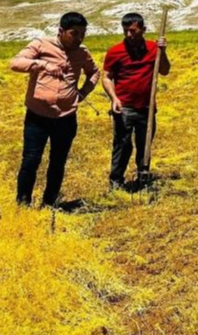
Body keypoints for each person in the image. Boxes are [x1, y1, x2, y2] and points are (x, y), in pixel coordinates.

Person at [10, 12, 100, 207]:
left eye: (82, 33)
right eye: (74, 33)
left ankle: (50, 203)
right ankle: (22, 203)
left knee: (58, 161)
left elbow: (94, 72)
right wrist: (41, 64)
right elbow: (15, 63)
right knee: (31, 160)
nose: (79, 38)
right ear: (61, 31)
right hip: (38, 115)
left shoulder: (82, 52)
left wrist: (83, 93)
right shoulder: (41, 44)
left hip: (66, 117)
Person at [102, 13, 171, 189]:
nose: (128, 35)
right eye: (125, 31)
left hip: (147, 107)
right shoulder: (115, 51)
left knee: (145, 143)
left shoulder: (153, 48)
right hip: (124, 106)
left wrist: (162, 51)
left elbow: (164, 70)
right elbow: (107, 77)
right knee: (123, 144)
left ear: (143, 30)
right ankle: (116, 180)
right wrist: (114, 98)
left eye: (132, 31)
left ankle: (143, 177)